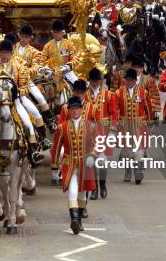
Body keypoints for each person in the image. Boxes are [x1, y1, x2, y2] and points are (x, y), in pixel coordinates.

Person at [51, 96, 97, 235]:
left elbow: (97, 144)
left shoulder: (91, 126)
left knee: (82, 194)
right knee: (72, 191)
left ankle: (79, 221)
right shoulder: (62, 127)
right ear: (69, 110)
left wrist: (93, 155)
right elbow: (56, 147)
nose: (75, 111)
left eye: (77, 108)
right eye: (72, 109)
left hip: (85, 165)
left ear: (82, 110)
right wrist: (54, 165)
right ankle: (74, 220)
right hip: (69, 164)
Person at [84, 67, 118, 200]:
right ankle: (94, 189)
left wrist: (112, 131)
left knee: (102, 162)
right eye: (92, 81)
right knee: (91, 161)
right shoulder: (85, 95)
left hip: (103, 132)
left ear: (101, 81)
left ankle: (102, 185)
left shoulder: (108, 95)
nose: (94, 83)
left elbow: (114, 114)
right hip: (88, 131)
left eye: (97, 81)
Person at [115, 68, 151, 183]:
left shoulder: (143, 92)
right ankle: (128, 171)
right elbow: (115, 109)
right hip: (124, 125)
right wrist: (116, 122)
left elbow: (148, 108)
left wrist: (150, 122)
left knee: (139, 149)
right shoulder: (118, 92)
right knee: (126, 150)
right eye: (127, 79)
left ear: (135, 81)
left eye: (131, 80)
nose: (129, 82)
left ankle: (137, 171)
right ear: (124, 80)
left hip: (139, 124)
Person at [41, 19, 79, 84]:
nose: (56, 34)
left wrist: (68, 66)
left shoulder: (69, 44)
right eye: (54, 32)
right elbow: (42, 60)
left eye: (58, 32)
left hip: (66, 71)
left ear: (62, 32)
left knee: (77, 83)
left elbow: (75, 58)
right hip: (52, 72)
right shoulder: (48, 45)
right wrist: (45, 67)